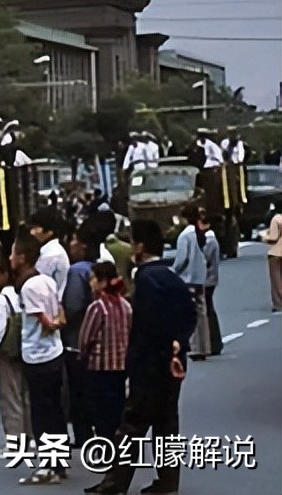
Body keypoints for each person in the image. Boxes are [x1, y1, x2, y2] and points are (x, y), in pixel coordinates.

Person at [87, 220, 197, 495]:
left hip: (149, 366)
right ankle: (168, 481)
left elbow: (147, 327)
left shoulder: (146, 280)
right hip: (173, 365)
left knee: (132, 425)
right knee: (166, 424)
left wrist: (135, 366)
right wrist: (178, 343)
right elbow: (190, 315)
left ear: (140, 246)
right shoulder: (172, 277)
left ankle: (115, 483)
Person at [9, 232, 67, 486]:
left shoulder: (29, 287)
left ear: (23, 257)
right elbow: (59, 312)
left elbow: (45, 321)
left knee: (41, 414)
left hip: (37, 356)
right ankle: (59, 462)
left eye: (13, 253)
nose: (10, 258)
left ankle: (47, 466)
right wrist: (57, 323)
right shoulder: (47, 281)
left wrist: (52, 324)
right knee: (55, 410)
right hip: (55, 352)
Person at [78, 260, 131, 442]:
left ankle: (104, 447)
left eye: (93, 279)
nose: (90, 282)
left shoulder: (97, 308)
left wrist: (82, 356)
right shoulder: (126, 306)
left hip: (100, 368)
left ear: (103, 282)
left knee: (101, 413)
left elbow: (85, 339)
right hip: (121, 367)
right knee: (117, 411)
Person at [0, 254, 30, 450]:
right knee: (26, 393)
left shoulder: (1, 299)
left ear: (5, 274)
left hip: (7, 351)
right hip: (25, 348)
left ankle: (15, 438)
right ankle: (30, 434)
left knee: (10, 396)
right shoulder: (21, 293)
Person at [62, 227, 97, 447]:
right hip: (96, 342)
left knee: (77, 391)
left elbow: (73, 306)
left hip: (76, 340)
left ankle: (83, 435)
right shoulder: (96, 267)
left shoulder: (76, 271)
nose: (70, 244)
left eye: (73, 240)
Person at [170, 206, 210, 361]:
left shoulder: (184, 236)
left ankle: (194, 347)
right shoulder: (199, 233)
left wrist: (173, 271)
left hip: (188, 278)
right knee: (202, 314)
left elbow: (182, 259)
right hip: (200, 278)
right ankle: (204, 346)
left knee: (190, 314)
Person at [29, 207, 71, 299]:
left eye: (36, 228)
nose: (32, 232)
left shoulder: (51, 254)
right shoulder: (51, 249)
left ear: (49, 231)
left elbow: (36, 283)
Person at [201, 215, 223, 356]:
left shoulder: (209, 241)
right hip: (210, 279)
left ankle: (213, 343)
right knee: (209, 310)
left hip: (207, 280)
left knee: (207, 312)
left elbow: (204, 260)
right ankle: (214, 343)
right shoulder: (211, 240)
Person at [263, 210, 282, 312]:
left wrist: (264, 236)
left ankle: (278, 303)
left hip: (275, 252)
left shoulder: (276, 219)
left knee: (276, 279)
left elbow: (273, 237)